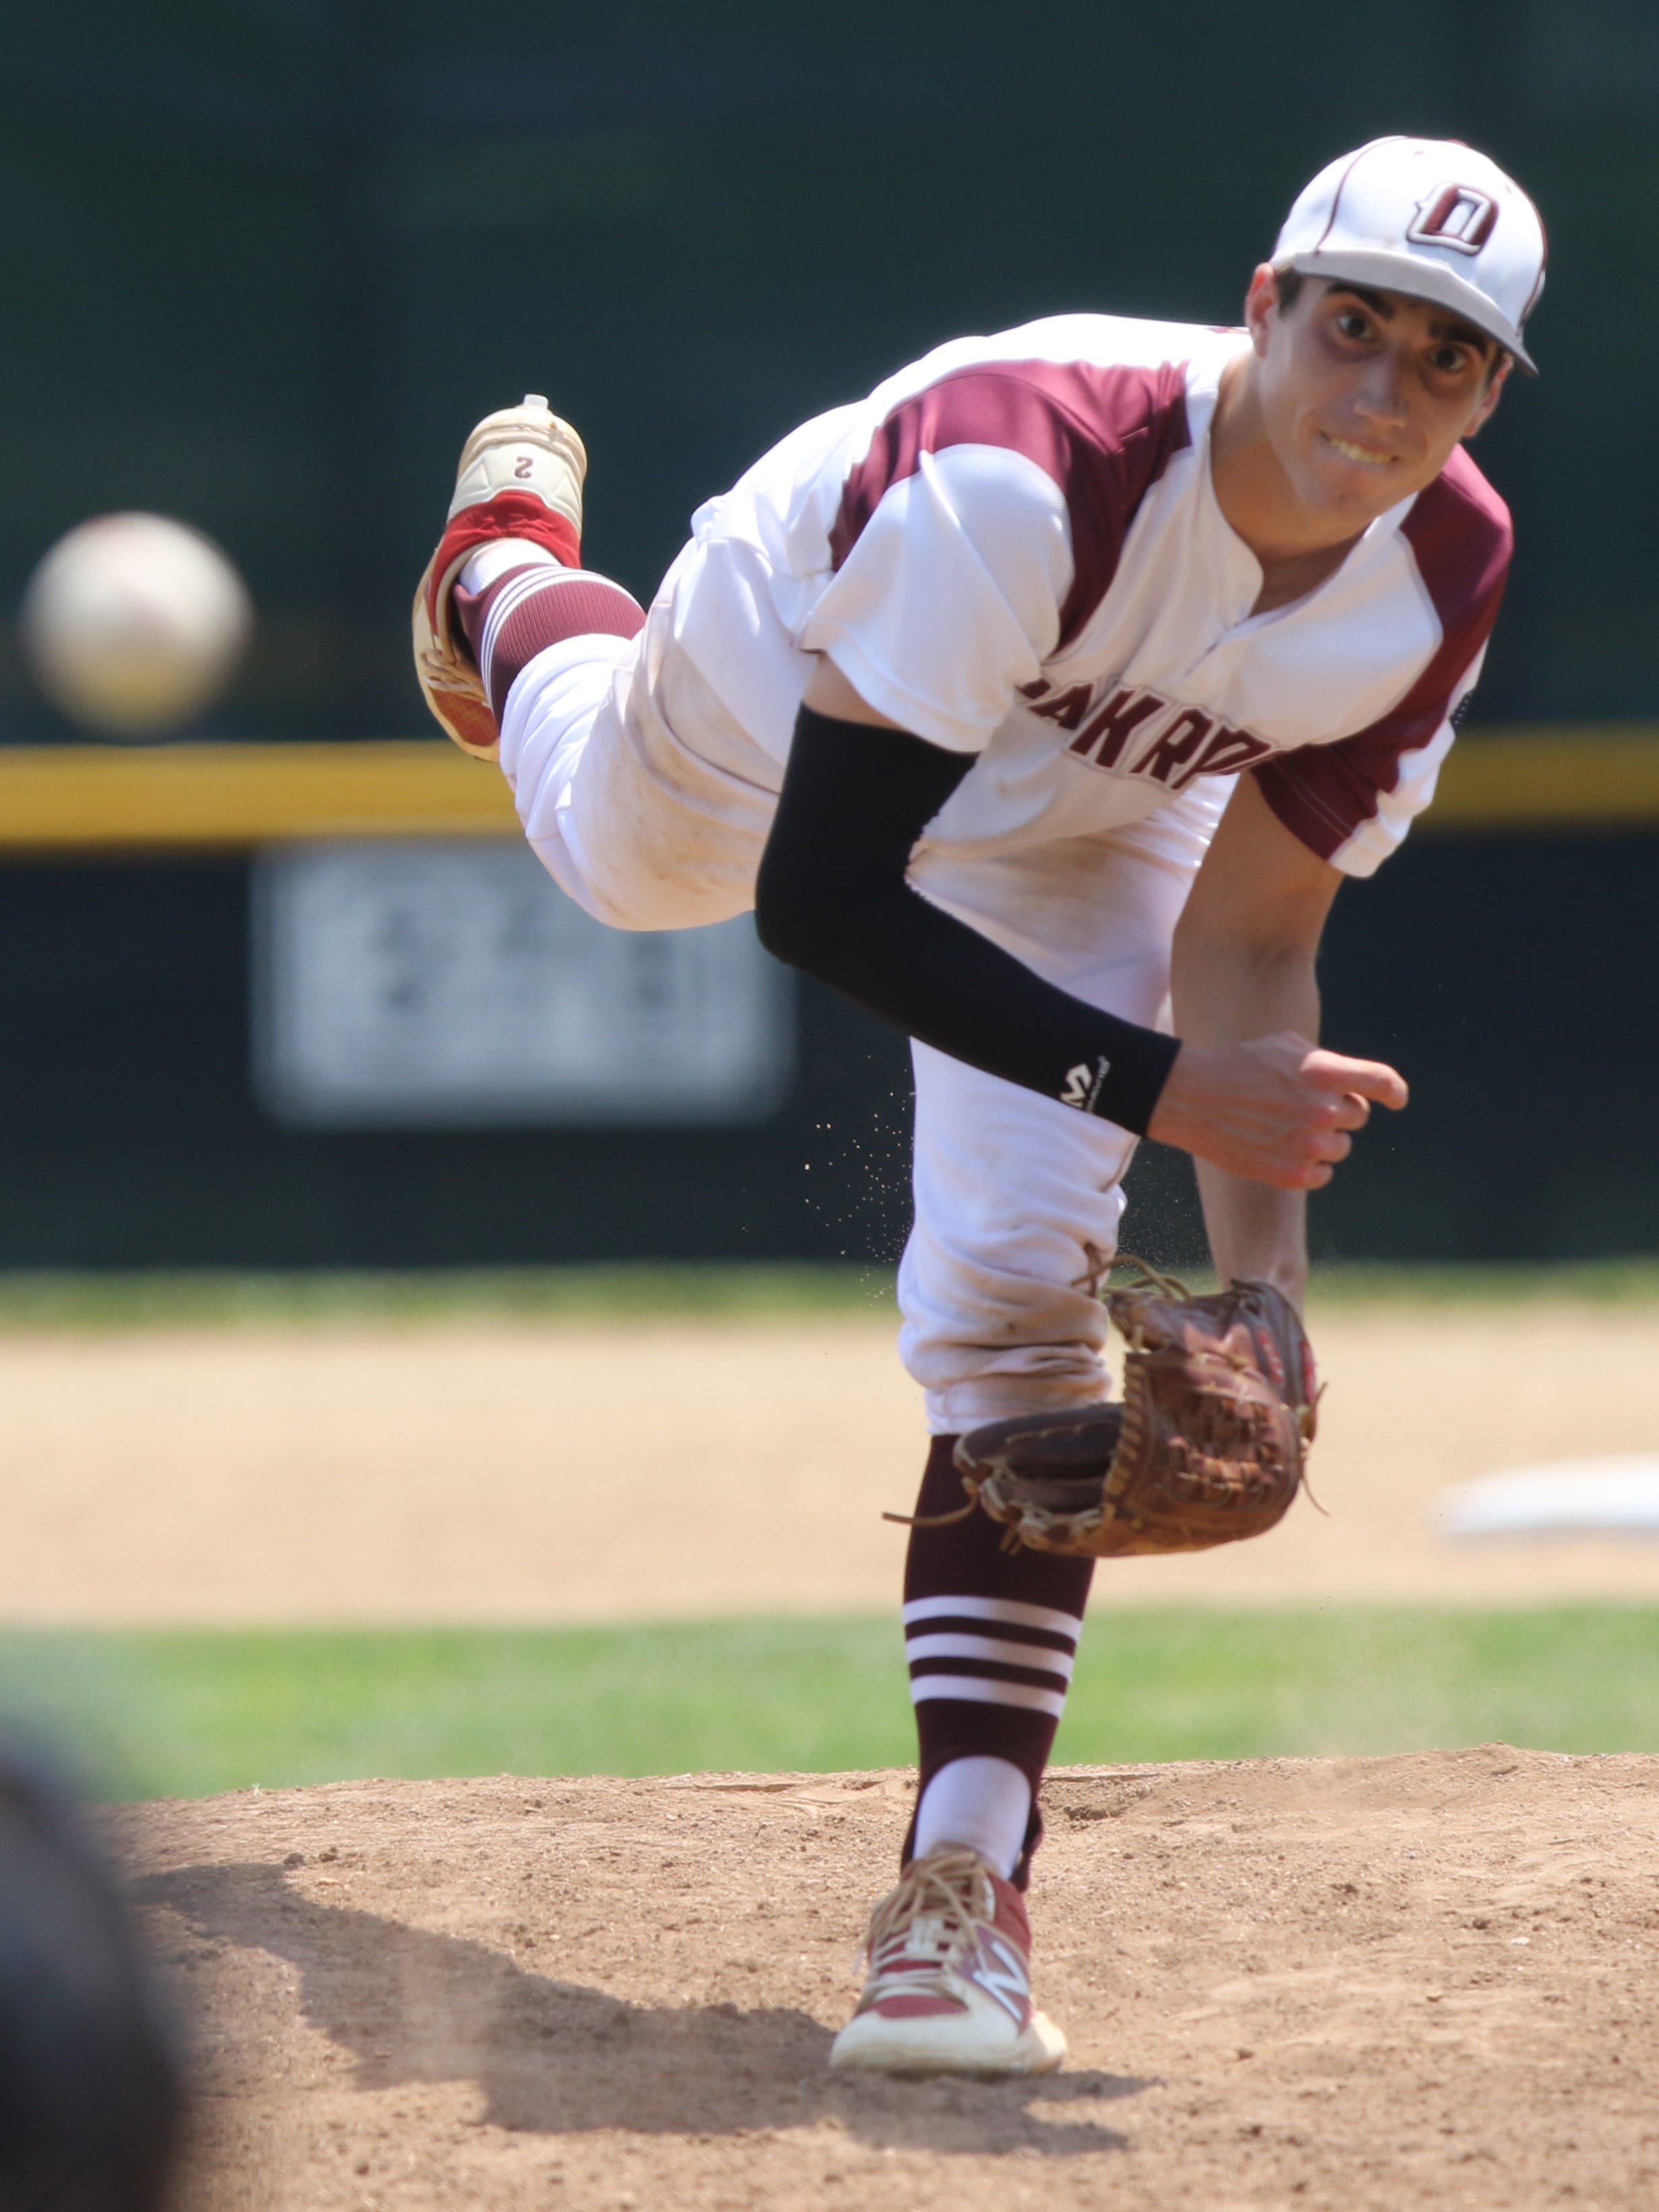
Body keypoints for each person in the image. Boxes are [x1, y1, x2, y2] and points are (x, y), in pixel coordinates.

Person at [412, 135, 1544, 2076]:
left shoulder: (1442, 570)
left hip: (1097, 814)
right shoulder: (1028, 470)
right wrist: (1167, 1085)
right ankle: (502, 580)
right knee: (620, 851)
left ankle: (961, 1901)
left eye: (1445, 360)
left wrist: (1262, 1297)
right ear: (1265, 307)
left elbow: (1254, 953)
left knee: (1022, 1296)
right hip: (815, 657)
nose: (1384, 394)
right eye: (1352, 326)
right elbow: (823, 902)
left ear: (1490, 393)